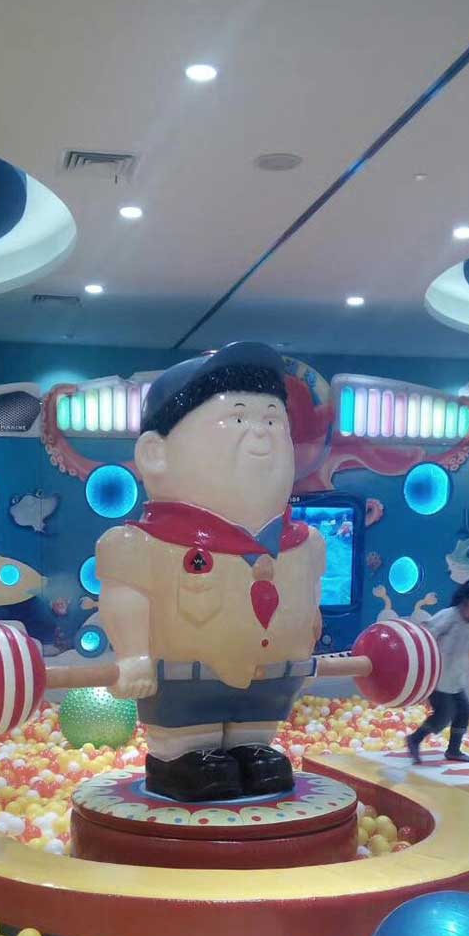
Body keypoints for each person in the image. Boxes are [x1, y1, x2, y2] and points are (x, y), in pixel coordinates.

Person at [97, 342, 326, 802]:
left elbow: (309, 599)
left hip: (272, 676)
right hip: (183, 679)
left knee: (258, 721)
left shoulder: (304, 545)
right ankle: (179, 755)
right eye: (238, 419)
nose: (260, 434)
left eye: (272, 420)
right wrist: (134, 654)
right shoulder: (142, 544)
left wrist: (307, 636)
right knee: (186, 722)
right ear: (155, 454)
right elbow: (126, 598)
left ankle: (252, 745)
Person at [405, 573, 469, 764]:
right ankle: (415, 739)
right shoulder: (449, 617)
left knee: (464, 711)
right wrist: (422, 671)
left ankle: (454, 750)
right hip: (438, 680)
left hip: (455, 680)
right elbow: (427, 634)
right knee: (444, 715)